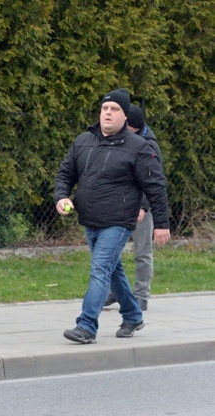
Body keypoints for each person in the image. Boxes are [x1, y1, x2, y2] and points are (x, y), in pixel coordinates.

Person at [54, 88, 170, 344]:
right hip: (90, 218)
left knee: (99, 270)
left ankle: (86, 326)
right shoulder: (83, 141)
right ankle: (132, 315)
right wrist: (62, 196)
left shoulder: (139, 147)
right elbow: (65, 173)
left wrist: (161, 224)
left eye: (114, 109)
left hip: (118, 221)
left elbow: (155, 186)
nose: (108, 113)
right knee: (112, 269)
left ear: (125, 117)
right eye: (105, 108)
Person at [104, 104, 162, 311]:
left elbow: (153, 181)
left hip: (140, 209)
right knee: (111, 252)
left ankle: (141, 296)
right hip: (119, 204)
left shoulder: (148, 146)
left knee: (142, 253)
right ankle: (117, 292)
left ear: (132, 127)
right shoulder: (120, 140)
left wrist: (143, 207)